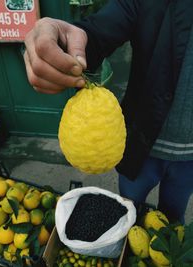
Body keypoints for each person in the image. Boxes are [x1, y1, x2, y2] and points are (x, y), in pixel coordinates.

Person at [23, 0, 193, 224]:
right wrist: (66, 44)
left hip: (189, 160)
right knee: (125, 211)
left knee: (174, 218)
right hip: (141, 143)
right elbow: (96, 32)